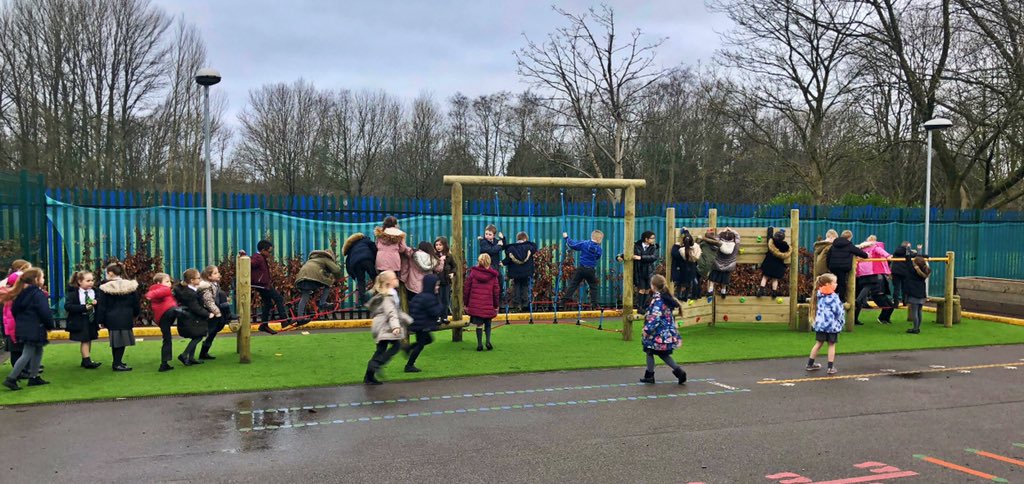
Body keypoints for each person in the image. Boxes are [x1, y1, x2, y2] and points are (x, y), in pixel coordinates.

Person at [1, 268, 53, 390]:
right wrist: (49, 324)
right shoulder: (38, 294)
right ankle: (11, 378)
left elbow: (15, 310)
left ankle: (34, 377)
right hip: (35, 327)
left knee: (37, 350)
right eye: (42, 277)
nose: (44, 279)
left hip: (26, 327)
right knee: (27, 353)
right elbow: (44, 311)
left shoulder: (21, 293)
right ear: (36, 280)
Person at [363, 271, 410, 385]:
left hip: (379, 325)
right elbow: (391, 312)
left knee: (381, 349)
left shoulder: (385, 294)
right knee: (396, 345)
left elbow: (396, 311)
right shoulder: (389, 295)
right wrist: (395, 327)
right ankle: (377, 364)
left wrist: (407, 319)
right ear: (389, 283)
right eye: (394, 278)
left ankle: (369, 376)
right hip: (385, 325)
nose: (397, 280)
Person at [639, 275, 686, 385]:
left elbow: (656, 317)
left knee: (650, 351)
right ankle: (679, 373)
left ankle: (650, 376)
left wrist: (647, 329)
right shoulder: (665, 297)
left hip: (658, 333)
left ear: (653, 286)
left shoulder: (658, 299)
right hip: (664, 332)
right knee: (661, 353)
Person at [95, 262, 139, 372]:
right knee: (122, 341)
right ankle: (117, 363)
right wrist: (135, 314)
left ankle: (117, 362)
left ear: (110, 273)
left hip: (111, 318)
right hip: (126, 316)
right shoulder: (130, 286)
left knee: (116, 341)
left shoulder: (105, 288)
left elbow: (102, 306)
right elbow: (136, 303)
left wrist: (100, 320)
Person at [172, 269, 212, 366]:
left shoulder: (187, 291)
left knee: (196, 336)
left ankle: (191, 358)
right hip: (191, 319)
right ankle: (184, 355)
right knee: (198, 337)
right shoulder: (189, 293)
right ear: (191, 281)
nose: (200, 280)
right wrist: (207, 314)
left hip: (190, 319)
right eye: (198, 278)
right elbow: (195, 307)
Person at [405, 274, 444, 373]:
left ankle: (409, 348)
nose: (438, 287)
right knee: (421, 345)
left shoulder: (420, 296)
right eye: (436, 285)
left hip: (418, 324)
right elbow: (436, 312)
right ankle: (409, 365)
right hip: (422, 325)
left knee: (428, 340)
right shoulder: (429, 298)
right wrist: (440, 302)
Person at [292, 249, 343, 324]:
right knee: (327, 284)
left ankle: (300, 319)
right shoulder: (326, 258)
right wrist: (338, 279)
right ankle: (322, 303)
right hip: (312, 277)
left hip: (301, 277)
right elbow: (337, 270)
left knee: (304, 297)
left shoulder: (313, 259)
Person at [807, 273, 844, 375]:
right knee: (831, 345)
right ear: (828, 284)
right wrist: (841, 321)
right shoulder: (834, 297)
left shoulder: (819, 295)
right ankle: (830, 367)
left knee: (819, 343)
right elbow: (839, 312)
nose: (836, 284)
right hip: (832, 326)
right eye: (834, 282)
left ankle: (810, 364)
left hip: (820, 325)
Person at [65, 271, 102, 369]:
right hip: (80, 319)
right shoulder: (73, 293)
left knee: (89, 339)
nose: (91, 282)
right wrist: (83, 307)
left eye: (92, 280)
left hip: (91, 318)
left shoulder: (95, 291)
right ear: (79, 281)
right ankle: (87, 361)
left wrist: (97, 301)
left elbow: (101, 301)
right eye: (88, 280)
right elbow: (68, 306)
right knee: (84, 339)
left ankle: (85, 358)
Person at [854, 236, 895, 325]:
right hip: (871, 270)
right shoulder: (875, 247)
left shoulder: (861, 248)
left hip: (861, 271)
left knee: (865, 287)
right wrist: (888, 256)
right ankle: (859, 299)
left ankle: (859, 302)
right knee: (869, 285)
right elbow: (882, 252)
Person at [464, 253, 500, 352]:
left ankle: (479, 344)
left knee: (479, 325)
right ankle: (488, 341)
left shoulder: (473, 273)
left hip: (476, 305)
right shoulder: (493, 276)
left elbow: (467, 288)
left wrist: (466, 303)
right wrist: (496, 305)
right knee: (488, 324)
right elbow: (496, 292)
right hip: (489, 304)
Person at [560, 230, 604, 308]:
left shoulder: (584, 243)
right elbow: (598, 257)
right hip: (591, 270)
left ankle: (564, 300)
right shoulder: (599, 249)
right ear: (598, 239)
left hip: (582, 268)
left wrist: (566, 237)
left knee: (573, 284)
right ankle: (594, 304)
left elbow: (572, 245)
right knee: (593, 286)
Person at [1, 259, 31, 374]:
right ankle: (19, 371)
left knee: (24, 349)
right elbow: (9, 317)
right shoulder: (12, 297)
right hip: (15, 329)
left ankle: (25, 368)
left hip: (20, 328)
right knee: (17, 350)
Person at [618, 231, 659, 309]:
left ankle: (643, 306)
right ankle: (639, 306)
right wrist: (619, 257)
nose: (653, 240)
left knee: (647, 289)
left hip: (649, 272)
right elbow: (626, 253)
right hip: (639, 271)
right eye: (652, 238)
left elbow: (654, 257)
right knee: (641, 289)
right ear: (646, 239)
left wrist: (641, 258)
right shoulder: (636, 246)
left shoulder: (654, 247)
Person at [146, 273, 178, 372]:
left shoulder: (156, 289)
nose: (169, 284)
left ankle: (164, 363)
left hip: (162, 317)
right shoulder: (162, 289)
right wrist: (150, 295)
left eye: (169, 281)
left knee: (167, 338)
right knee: (181, 311)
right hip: (166, 313)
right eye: (167, 281)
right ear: (159, 282)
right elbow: (160, 291)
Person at [250, 240, 284, 334]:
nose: (270, 254)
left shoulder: (260, 257)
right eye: (269, 251)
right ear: (263, 250)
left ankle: (264, 325)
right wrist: (244, 257)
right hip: (262, 285)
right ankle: (285, 320)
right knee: (279, 299)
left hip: (263, 284)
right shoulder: (258, 257)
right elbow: (251, 262)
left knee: (268, 304)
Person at [199, 266, 232, 359]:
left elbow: (216, 297)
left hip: (215, 311)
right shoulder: (206, 286)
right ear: (209, 276)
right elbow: (208, 301)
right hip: (211, 312)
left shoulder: (215, 284)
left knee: (213, 333)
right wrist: (217, 312)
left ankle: (204, 353)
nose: (219, 275)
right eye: (215, 273)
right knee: (211, 332)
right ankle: (202, 353)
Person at [826, 230, 869, 303]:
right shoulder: (849, 245)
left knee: (833, 282)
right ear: (850, 238)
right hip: (843, 267)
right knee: (842, 283)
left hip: (833, 266)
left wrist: (829, 266)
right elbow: (861, 253)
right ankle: (841, 299)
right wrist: (867, 255)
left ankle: (832, 297)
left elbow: (828, 256)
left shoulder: (834, 245)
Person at [503, 232, 537, 311]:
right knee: (525, 286)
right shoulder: (529, 247)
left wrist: (503, 262)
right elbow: (534, 247)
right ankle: (525, 304)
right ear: (525, 239)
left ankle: (517, 304)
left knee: (516, 287)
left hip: (515, 273)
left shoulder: (512, 248)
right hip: (526, 272)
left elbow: (508, 258)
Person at [343, 232, 378, 304]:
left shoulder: (351, 247)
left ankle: (362, 300)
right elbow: (374, 249)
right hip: (367, 260)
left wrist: (353, 274)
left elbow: (348, 262)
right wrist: (375, 261)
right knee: (374, 277)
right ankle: (378, 293)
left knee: (360, 281)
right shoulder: (365, 240)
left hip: (356, 264)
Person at [705, 228, 740, 298]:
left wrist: (721, 231)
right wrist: (732, 230)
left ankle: (710, 289)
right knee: (725, 279)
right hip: (728, 266)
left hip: (717, 264)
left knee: (712, 277)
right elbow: (738, 238)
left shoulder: (718, 244)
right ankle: (723, 291)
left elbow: (716, 239)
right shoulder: (735, 246)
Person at [758, 227, 791, 298]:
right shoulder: (784, 246)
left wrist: (770, 229)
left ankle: (761, 291)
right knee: (775, 279)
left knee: (765, 277)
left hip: (769, 264)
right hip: (778, 266)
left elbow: (769, 237)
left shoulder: (771, 242)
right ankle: (774, 293)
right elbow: (788, 248)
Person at [904, 254, 931, 334]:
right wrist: (919, 252)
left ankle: (915, 328)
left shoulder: (912, 271)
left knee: (914, 312)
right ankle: (917, 327)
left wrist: (908, 252)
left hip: (914, 293)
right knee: (919, 311)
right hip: (921, 293)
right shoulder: (925, 270)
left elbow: (908, 261)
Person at [671, 231, 702, 301]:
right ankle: (689, 296)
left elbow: (674, 254)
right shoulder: (696, 247)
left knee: (680, 283)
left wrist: (676, 245)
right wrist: (687, 232)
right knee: (691, 283)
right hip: (692, 268)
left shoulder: (681, 250)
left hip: (683, 269)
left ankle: (679, 296)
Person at [478, 224, 506, 301]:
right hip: (487, 266)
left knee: (500, 279)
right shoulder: (483, 242)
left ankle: (499, 297)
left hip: (495, 265)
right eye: (486, 234)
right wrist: (499, 246)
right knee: (491, 282)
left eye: (490, 234)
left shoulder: (496, 241)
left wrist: (503, 239)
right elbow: (491, 250)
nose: (487, 236)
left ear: (494, 235)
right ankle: (490, 298)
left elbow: (503, 247)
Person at [434, 236, 456, 321]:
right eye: (436, 245)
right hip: (437, 281)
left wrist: (452, 273)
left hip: (446, 281)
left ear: (444, 245)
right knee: (438, 299)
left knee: (446, 299)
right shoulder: (434, 256)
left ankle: (445, 316)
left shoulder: (449, 256)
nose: (438, 246)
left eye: (440, 245)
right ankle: (438, 317)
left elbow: (454, 266)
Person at [890, 241, 916, 306]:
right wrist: (915, 251)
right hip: (904, 271)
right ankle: (905, 302)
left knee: (896, 288)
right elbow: (912, 255)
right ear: (907, 246)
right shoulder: (907, 252)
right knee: (904, 287)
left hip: (896, 271)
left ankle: (896, 303)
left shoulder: (896, 251)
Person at [696, 229, 717, 296]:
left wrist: (699, 239)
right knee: (711, 277)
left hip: (703, 264)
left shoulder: (704, 244)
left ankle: (698, 293)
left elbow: (696, 245)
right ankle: (710, 290)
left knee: (698, 277)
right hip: (713, 264)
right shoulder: (717, 244)